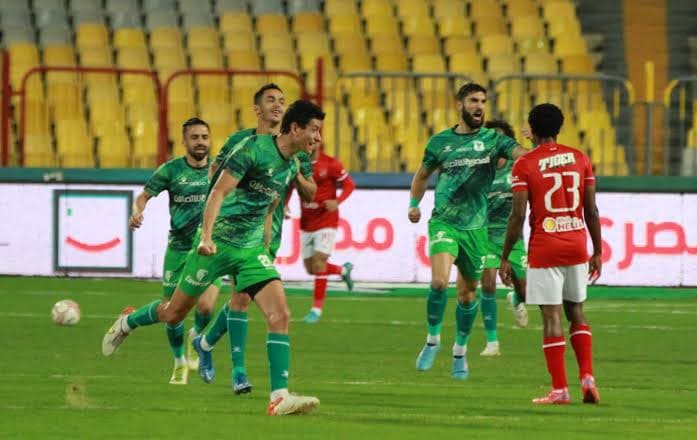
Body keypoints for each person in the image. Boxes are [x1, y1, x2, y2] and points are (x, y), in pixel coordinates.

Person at [103, 100, 326, 416]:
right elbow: (218, 192)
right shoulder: (253, 150)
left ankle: (279, 397)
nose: (318, 137)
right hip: (217, 244)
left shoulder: (293, 164)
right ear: (295, 128)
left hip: (250, 252)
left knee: (280, 315)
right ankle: (128, 322)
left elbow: (271, 204)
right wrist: (206, 237)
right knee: (173, 314)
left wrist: (264, 244)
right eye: (314, 130)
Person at [193, 84, 315, 394]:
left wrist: (296, 174)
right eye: (271, 100)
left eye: (282, 101)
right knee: (240, 297)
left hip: (270, 231)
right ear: (257, 109)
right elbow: (215, 177)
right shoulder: (241, 142)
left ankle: (205, 343)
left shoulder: (297, 150)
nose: (277, 105)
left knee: (243, 297)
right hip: (236, 231)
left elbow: (311, 192)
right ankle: (238, 371)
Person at [408, 83, 528, 380]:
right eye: (474, 100)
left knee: (467, 295)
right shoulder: (440, 142)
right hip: (444, 222)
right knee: (439, 282)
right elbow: (422, 175)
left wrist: (540, 144)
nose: (479, 106)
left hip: (476, 229)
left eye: (483, 101)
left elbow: (524, 156)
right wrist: (414, 204)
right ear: (459, 104)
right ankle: (432, 340)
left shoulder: (493, 140)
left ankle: (460, 352)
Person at [499, 103, 601, 405]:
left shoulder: (525, 165)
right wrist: (598, 250)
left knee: (551, 316)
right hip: (577, 243)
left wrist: (505, 256)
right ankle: (587, 377)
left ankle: (560, 389)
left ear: (532, 129)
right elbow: (591, 210)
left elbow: (518, 215)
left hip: (546, 245)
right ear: (560, 127)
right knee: (576, 311)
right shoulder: (580, 159)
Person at [128, 118, 221, 385]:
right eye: (195, 137)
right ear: (184, 141)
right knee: (171, 312)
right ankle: (179, 361)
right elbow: (143, 196)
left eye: (204, 137)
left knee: (206, 305)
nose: (200, 142)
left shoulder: (220, 170)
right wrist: (137, 212)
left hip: (208, 248)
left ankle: (197, 338)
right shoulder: (171, 170)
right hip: (179, 249)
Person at [478, 120, 530, 358]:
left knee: (527, 291)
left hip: (512, 237)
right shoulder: (479, 170)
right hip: (487, 235)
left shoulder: (518, 167)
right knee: (488, 283)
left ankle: (517, 298)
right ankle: (492, 342)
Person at [300, 147, 356, 323]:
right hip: (307, 222)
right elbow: (289, 187)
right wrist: (285, 205)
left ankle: (316, 310)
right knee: (311, 268)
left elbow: (349, 185)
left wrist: (337, 201)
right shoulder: (296, 163)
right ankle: (343, 270)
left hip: (327, 220)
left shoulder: (331, 164)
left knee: (319, 262)